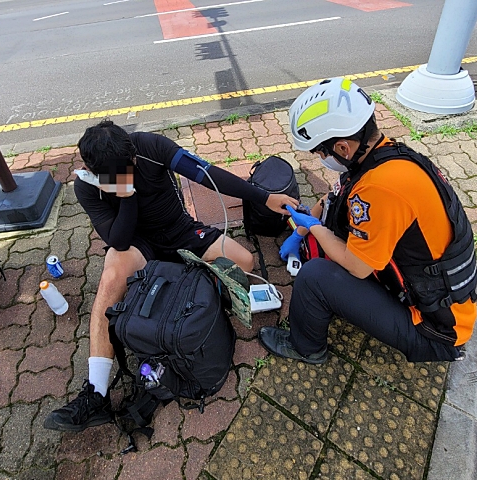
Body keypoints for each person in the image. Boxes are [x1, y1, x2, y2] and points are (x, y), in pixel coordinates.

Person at [44, 120, 298, 432]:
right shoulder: (87, 186)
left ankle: (185, 285)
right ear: (93, 170)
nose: (132, 168)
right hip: (139, 244)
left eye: (131, 162)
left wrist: (262, 196)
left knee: (244, 261)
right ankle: (96, 393)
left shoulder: (150, 146)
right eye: (123, 170)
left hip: (181, 231)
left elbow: (205, 173)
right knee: (110, 279)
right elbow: (118, 240)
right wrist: (125, 195)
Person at [258, 77, 477, 365]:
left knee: (314, 276)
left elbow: (358, 267)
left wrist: (315, 229)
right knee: (332, 235)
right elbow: (335, 198)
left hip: (435, 329)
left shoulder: (379, 188)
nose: (320, 158)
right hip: (438, 300)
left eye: (320, 152)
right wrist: (301, 229)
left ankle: (306, 347)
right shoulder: (384, 157)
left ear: (343, 148)